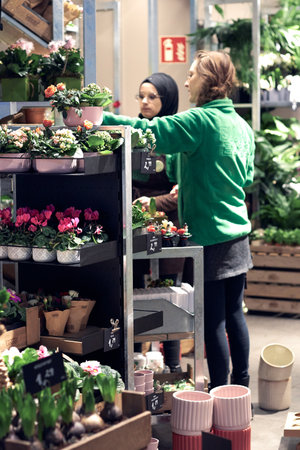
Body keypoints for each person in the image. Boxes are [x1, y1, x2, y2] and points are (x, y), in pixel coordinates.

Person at [103, 50, 255, 389]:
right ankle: (241, 390)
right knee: (234, 315)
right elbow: (245, 178)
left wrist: (99, 119)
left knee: (213, 320)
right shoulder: (240, 125)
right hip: (239, 233)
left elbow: (148, 130)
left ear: (209, 81)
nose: (186, 80)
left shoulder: (200, 120)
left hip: (211, 234)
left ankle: (220, 393)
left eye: (192, 74)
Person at [133, 72, 183, 373]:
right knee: (137, 291)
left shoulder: (177, 135)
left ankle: (173, 366)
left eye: (153, 97)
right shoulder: (135, 133)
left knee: (172, 293)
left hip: (169, 225)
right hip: (138, 222)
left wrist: (154, 202)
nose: (145, 102)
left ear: (168, 100)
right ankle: (138, 360)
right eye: (142, 95)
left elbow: (181, 192)